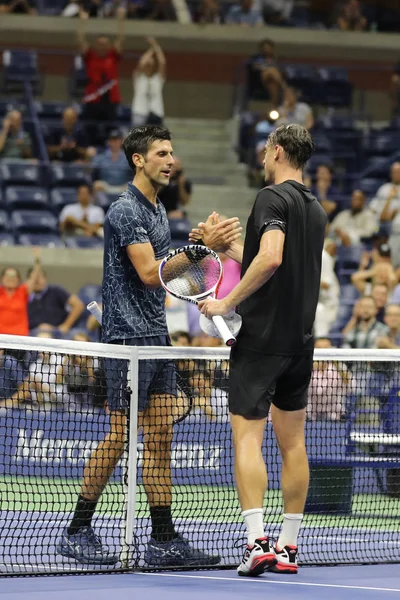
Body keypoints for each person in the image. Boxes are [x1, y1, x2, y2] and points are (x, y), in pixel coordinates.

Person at [56, 125, 241, 566]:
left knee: (160, 436)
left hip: (155, 336)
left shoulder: (158, 209)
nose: (170, 160)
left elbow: (167, 273)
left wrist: (194, 248)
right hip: (126, 341)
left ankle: (163, 539)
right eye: (161, 152)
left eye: (172, 152)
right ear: (139, 159)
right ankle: (77, 529)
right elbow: (145, 272)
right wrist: (199, 248)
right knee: (121, 437)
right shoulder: (124, 210)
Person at [197, 124, 327, 575]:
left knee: (247, 440)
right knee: (293, 444)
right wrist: (224, 246)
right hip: (300, 343)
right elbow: (273, 259)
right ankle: (288, 548)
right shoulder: (315, 208)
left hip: (262, 339)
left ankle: (257, 543)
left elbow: (269, 258)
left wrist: (226, 302)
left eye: (264, 151)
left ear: (275, 151)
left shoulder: (271, 197)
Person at [78, 7, 125, 125]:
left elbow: (120, 39)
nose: (102, 46)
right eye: (100, 44)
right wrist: (82, 22)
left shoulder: (112, 56)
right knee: (91, 128)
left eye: (105, 44)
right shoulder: (90, 56)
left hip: (111, 99)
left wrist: (121, 20)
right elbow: (80, 40)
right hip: (93, 98)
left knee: (111, 130)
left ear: (109, 45)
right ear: (96, 45)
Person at [0, 248, 43, 337]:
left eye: (14, 276)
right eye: (7, 276)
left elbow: (34, 277)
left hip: (19, 337)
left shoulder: (23, 291)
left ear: (18, 280)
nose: (10, 278)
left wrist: (37, 259)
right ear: (2, 279)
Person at [27, 269, 85, 334]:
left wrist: (66, 326)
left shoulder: (56, 290)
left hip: (59, 331)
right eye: (33, 278)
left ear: (45, 279)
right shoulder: (24, 296)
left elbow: (78, 305)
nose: (36, 281)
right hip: (33, 333)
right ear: (28, 281)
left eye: (39, 277)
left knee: (80, 338)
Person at [131, 37, 166, 127]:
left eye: (151, 63)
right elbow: (141, 63)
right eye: (147, 64)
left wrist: (155, 45)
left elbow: (162, 62)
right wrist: (152, 49)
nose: (148, 64)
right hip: (140, 113)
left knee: (156, 140)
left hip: (156, 112)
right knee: (138, 140)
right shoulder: (139, 78)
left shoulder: (157, 79)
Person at [91, 129, 131, 195]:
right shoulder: (102, 156)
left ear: (121, 141)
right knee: (97, 185)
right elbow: (91, 167)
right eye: (112, 140)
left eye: (117, 140)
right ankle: (99, 205)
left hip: (123, 186)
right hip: (106, 186)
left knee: (131, 186)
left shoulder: (128, 157)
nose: (114, 142)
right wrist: (90, 157)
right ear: (109, 142)